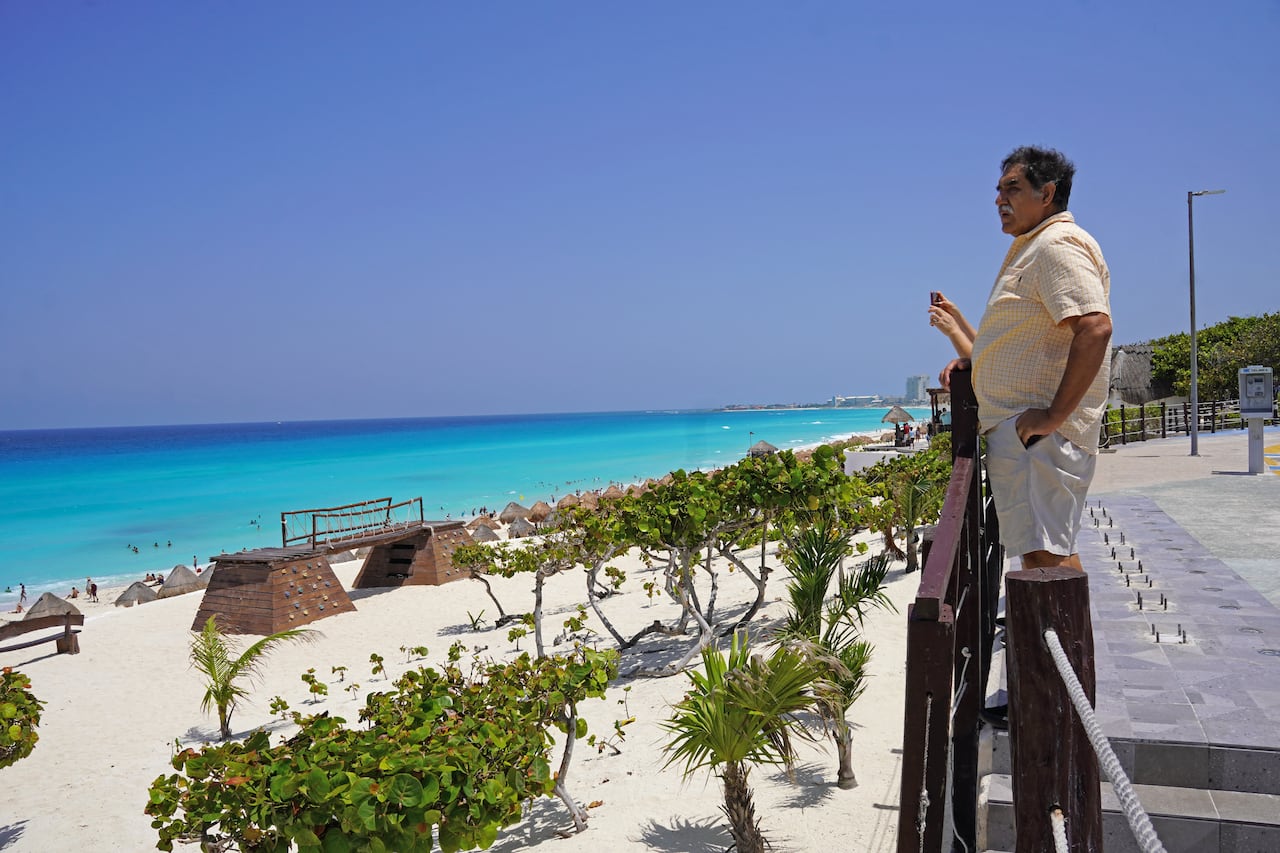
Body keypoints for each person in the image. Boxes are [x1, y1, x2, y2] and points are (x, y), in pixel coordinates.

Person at [935, 146, 1112, 574]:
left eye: (1012, 188)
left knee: (1045, 557)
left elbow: (1095, 327)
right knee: (1042, 554)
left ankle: (1059, 643)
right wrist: (978, 366)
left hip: (1038, 438)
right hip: (1028, 437)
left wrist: (1052, 416)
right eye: (998, 190)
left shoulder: (1056, 245)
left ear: (1047, 193)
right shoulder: (1033, 246)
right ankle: (1055, 641)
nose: (999, 199)